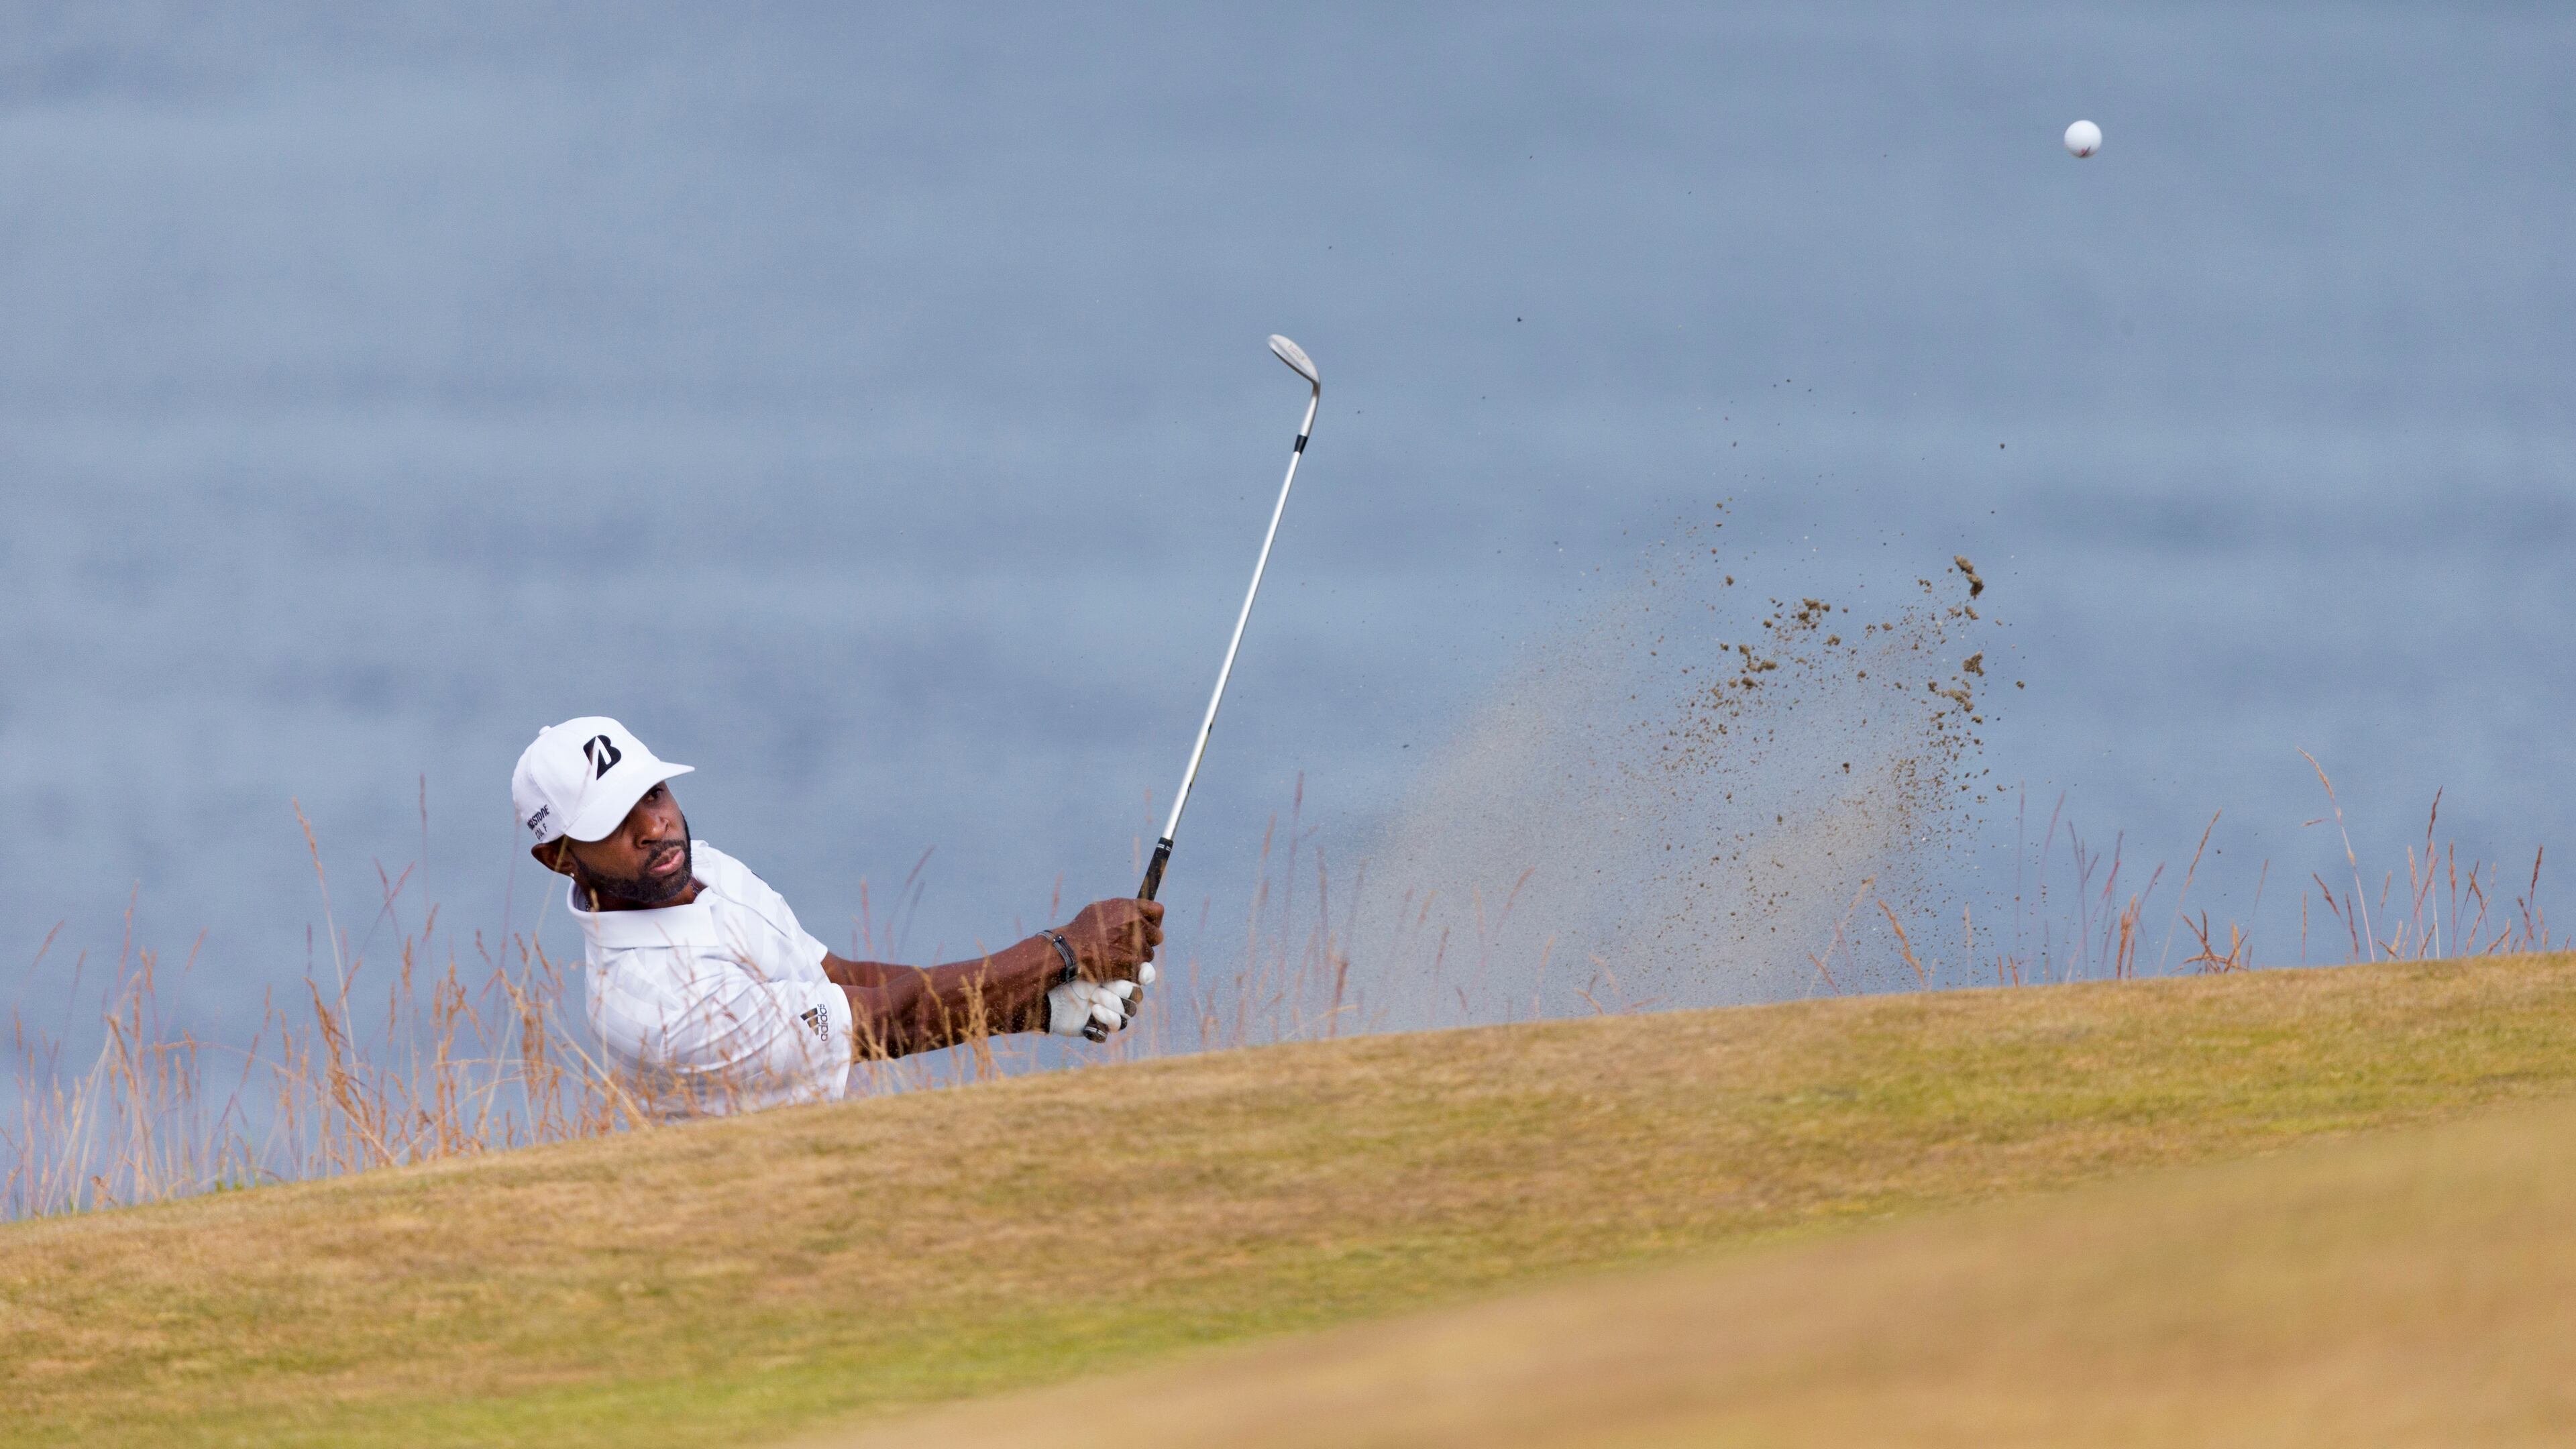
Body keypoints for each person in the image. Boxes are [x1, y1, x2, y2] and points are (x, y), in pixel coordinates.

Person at [511, 716, 1161, 1119]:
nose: (656, 825)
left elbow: (838, 977)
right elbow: (885, 1021)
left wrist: (1041, 1004)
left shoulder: (703, 869)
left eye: (653, 794)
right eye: (616, 821)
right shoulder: (647, 1003)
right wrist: (1062, 951)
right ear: (559, 857)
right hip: (745, 1213)